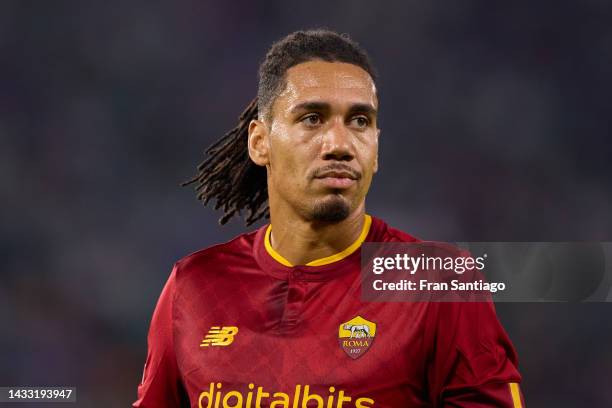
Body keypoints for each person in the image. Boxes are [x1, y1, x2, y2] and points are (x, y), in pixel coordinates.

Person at [133, 29, 525, 408]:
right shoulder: (194, 287)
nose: (339, 144)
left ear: (376, 147)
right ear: (260, 142)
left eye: (359, 121)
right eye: (312, 119)